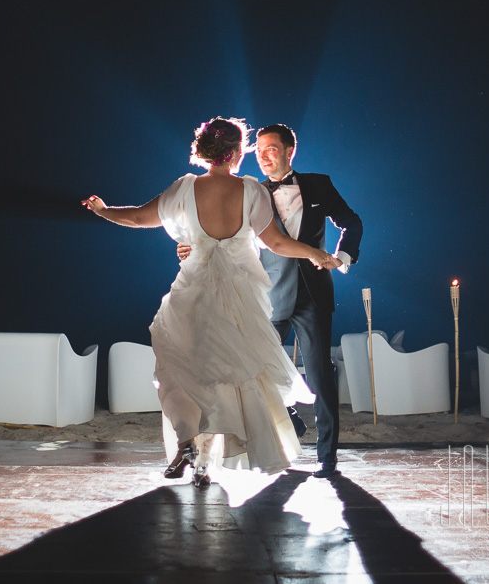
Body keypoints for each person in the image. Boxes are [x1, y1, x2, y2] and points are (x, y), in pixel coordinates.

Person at [82, 117, 331, 487]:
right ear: (235, 152)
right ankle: (203, 463)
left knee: (183, 370)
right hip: (237, 301)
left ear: (208, 150)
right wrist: (315, 253)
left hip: (192, 295)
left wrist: (103, 209)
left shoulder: (184, 188)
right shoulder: (251, 191)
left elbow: (137, 217)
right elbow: (277, 244)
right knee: (226, 383)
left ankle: (189, 445)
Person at [179, 123, 362, 478]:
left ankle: (327, 457)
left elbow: (351, 221)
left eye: (271, 148)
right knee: (249, 371)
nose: (262, 155)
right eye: (258, 149)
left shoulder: (319, 184)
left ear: (290, 151)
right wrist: (193, 246)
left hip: (314, 294)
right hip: (266, 295)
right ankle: (290, 424)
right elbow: (224, 235)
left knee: (321, 377)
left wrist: (343, 258)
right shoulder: (248, 191)